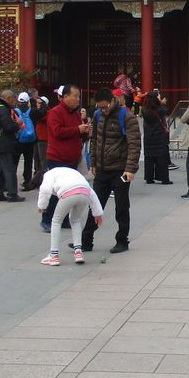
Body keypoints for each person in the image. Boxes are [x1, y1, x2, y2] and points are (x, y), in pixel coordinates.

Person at [76, 89, 141, 254]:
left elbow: (134, 144)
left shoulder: (126, 116)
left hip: (121, 170)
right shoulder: (98, 115)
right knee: (95, 205)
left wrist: (130, 168)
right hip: (102, 169)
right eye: (100, 107)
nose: (103, 110)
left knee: (121, 206)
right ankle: (86, 241)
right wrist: (94, 162)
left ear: (113, 100)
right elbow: (94, 140)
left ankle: (122, 240)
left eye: (105, 107)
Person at [40, 85, 91, 230]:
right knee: (56, 191)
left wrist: (85, 131)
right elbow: (57, 132)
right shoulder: (55, 112)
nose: (78, 99)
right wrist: (77, 129)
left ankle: (63, 219)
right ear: (65, 97)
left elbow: (77, 134)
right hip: (57, 157)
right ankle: (47, 219)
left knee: (69, 191)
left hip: (72, 158)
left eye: (78, 96)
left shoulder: (75, 114)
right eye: (75, 96)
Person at [38, 165, 104, 266]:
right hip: (85, 192)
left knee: (56, 221)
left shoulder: (48, 174)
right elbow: (92, 193)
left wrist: (42, 205)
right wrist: (98, 213)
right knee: (75, 220)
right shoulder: (72, 173)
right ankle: (78, 252)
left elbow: (45, 189)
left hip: (68, 192)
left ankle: (53, 255)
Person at [0, 89, 27, 203]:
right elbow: (8, 127)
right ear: (8, 98)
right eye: (14, 99)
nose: (15, 102)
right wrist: (18, 124)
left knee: (0, 170)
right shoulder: (3, 110)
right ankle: (12, 194)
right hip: (5, 144)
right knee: (9, 170)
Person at [140, 92, 172, 184]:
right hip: (159, 136)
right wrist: (161, 102)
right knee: (161, 158)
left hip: (148, 136)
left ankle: (149, 178)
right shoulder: (160, 110)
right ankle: (164, 178)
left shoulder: (144, 110)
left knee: (149, 158)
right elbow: (165, 110)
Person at [14, 92, 36, 191]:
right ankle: (27, 182)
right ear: (28, 101)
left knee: (14, 162)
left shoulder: (15, 111)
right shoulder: (32, 111)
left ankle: (11, 182)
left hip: (19, 140)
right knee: (28, 162)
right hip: (30, 140)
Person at [28, 89, 50, 188]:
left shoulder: (46, 112)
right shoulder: (38, 112)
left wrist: (41, 108)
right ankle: (37, 180)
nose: (38, 104)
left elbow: (41, 117)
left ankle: (41, 181)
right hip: (37, 138)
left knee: (43, 162)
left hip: (43, 139)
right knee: (37, 161)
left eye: (40, 103)